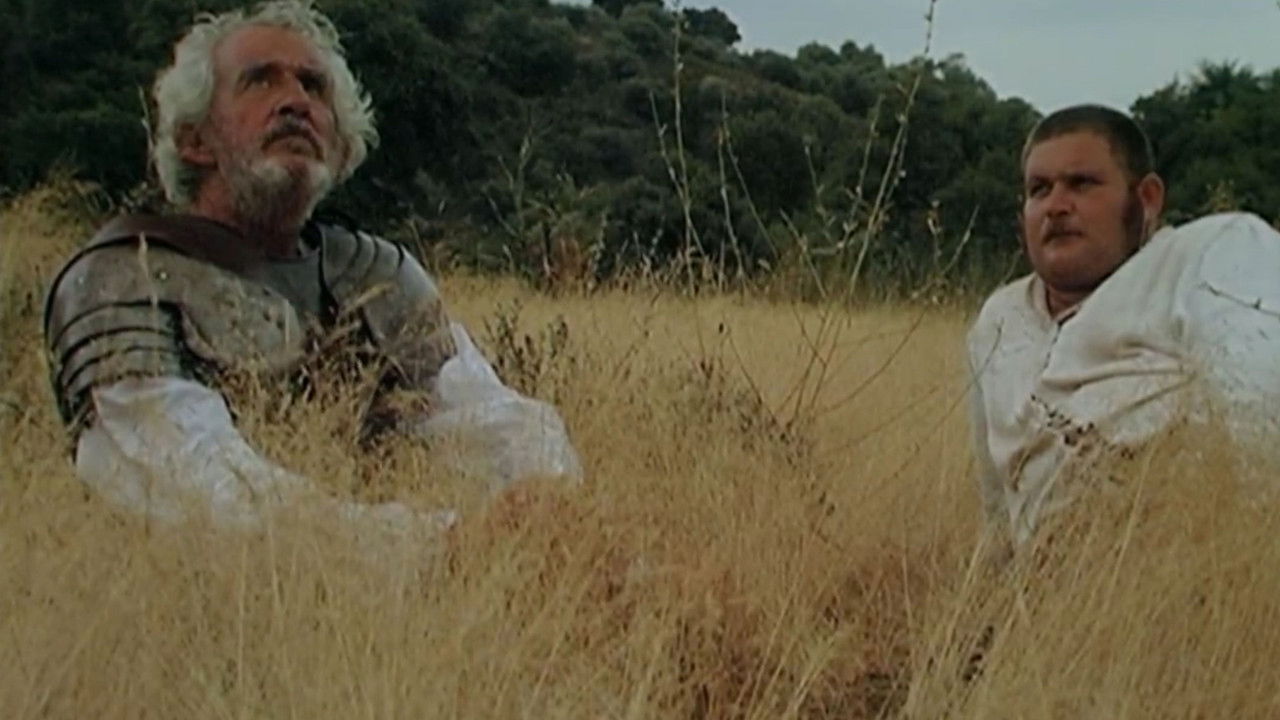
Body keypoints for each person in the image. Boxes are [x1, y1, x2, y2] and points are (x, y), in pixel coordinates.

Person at [42, 0, 581, 534]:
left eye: (313, 86)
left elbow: (489, 416)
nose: (295, 102)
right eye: (259, 81)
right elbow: (195, 487)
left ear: (339, 144)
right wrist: (441, 544)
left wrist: (541, 499)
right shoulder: (124, 279)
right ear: (195, 140)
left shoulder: (375, 273)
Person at [967, 104, 1280, 550]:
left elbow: (1263, 410)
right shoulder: (999, 319)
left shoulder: (1209, 254)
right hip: (1050, 587)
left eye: (1082, 184)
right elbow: (997, 506)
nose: (1056, 206)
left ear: (1146, 198)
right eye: (1039, 190)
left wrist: (1246, 561)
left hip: (1190, 566)